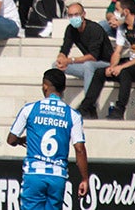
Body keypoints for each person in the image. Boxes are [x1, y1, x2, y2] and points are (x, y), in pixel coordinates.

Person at [7, 69, 89, 210]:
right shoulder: (73, 115)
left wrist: (20, 141)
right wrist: (84, 179)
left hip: (34, 174)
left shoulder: (30, 109)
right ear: (63, 88)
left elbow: (11, 139)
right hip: (57, 176)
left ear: (45, 86)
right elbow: (79, 149)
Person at [55, 2, 113, 120]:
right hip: (90, 65)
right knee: (55, 66)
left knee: (88, 65)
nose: (73, 18)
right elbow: (65, 48)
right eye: (70, 15)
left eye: (76, 14)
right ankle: (58, 103)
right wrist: (61, 58)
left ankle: (89, 106)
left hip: (105, 64)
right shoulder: (71, 29)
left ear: (83, 14)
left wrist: (70, 60)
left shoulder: (94, 29)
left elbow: (93, 56)